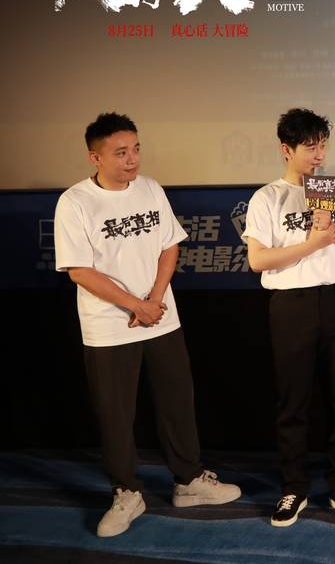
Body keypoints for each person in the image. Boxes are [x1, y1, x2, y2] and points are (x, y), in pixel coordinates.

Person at [54, 112, 241, 538]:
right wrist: (135, 305)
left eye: (136, 149)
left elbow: (169, 246)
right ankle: (126, 492)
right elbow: (80, 270)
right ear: (95, 157)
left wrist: (154, 300)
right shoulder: (75, 202)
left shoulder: (151, 188)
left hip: (161, 317)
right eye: (121, 153)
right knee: (116, 414)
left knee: (178, 400)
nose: (132, 159)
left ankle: (189, 480)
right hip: (109, 326)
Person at [242, 108, 335, 527]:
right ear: (286, 149)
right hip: (291, 304)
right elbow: (258, 260)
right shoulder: (267, 198)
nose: (319, 155)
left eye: (323, 145)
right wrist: (312, 243)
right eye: (310, 147)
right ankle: (294, 486)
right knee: (293, 399)